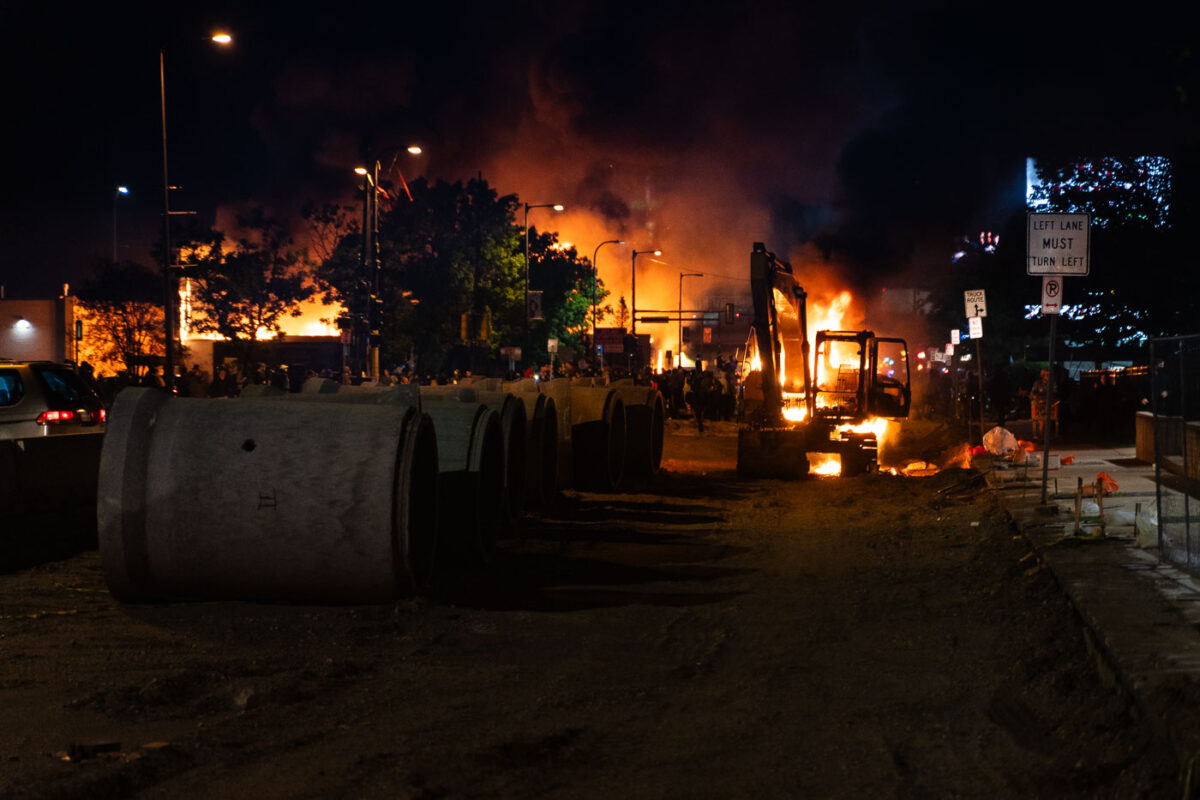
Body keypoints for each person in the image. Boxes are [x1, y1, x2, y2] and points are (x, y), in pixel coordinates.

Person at [1030, 369, 1049, 439]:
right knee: (1041, 420)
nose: (1048, 377)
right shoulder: (1038, 383)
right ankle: (1041, 435)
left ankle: (1046, 435)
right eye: (1047, 375)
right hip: (1040, 403)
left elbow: (1055, 391)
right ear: (1043, 376)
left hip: (1049, 403)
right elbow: (1033, 393)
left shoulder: (1052, 383)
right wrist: (1036, 396)